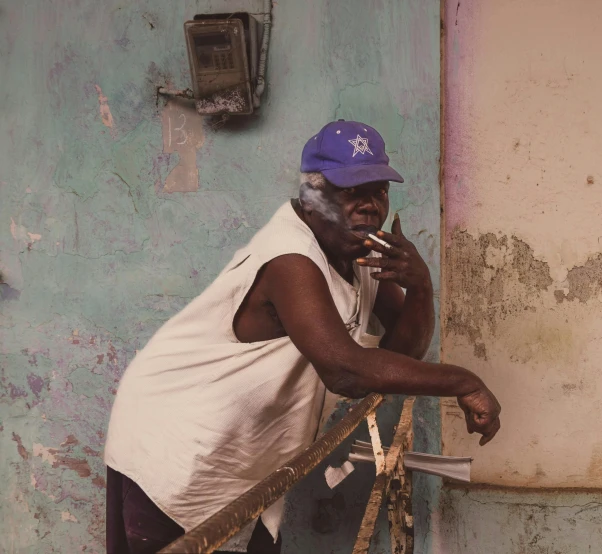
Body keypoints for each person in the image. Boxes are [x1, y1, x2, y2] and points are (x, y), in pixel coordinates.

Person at [104, 120, 501, 554]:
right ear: (312, 198)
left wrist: (421, 287)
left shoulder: (359, 254)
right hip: (177, 441)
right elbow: (345, 372)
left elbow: (400, 354)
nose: (370, 207)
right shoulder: (290, 258)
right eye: (352, 192)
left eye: (379, 191)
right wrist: (463, 381)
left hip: (247, 454)